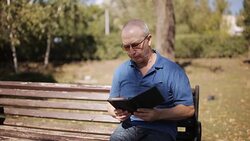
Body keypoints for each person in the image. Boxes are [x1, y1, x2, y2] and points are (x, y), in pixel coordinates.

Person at [107, 19, 194, 141]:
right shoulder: (122, 71)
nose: (132, 51)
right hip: (129, 128)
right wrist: (116, 113)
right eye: (126, 47)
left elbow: (188, 109)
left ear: (149, 39)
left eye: (136, 45)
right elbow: (110, 106)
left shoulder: (173, 70)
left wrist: (158, 115)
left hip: (161, 130)